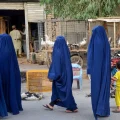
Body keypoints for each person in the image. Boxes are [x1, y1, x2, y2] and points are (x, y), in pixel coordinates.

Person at [43, 36, 78, 113]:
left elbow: (56, 65)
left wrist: (52, 75)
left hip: (60, 75)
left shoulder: (57, 52)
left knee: (63, 92)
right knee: (62, 91)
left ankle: (72, 107)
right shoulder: (66, 51)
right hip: (67, 74)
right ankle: (51, 104)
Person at [87, 26, 111, 120]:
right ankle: (103, 110)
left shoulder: (94, 41)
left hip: (95, 70)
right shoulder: (106, 42)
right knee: (104, 88)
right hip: (105, 70)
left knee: (96, 89)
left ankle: (97, 109)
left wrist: (89, 70)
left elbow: (90, 56)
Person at [0, 34, 23, 116]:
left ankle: (4, 107)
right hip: (11, 76)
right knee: (11, 88)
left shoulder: (1, 51)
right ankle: (13, 106)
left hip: (2, 76)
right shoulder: (11, 51)